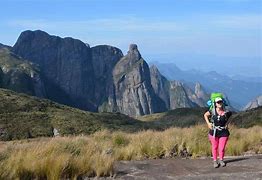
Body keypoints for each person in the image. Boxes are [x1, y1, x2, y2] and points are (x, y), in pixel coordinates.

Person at [204, 97, 232, 168]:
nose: (219, 103)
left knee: (221, 148)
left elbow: (231, 116)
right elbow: (205, 115)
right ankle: (215, 160)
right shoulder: (212, 111)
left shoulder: (226, 112)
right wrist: (208, 124)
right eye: (218, 102)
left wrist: (227, 123)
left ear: (222, 103)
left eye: (220, 102)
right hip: (214, 132)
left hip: (224, 132)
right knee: (215, 147)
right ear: (215, 104)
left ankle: (221, 160)